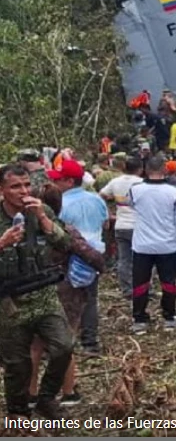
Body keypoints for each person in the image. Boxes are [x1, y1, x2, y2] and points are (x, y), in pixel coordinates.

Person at [0, 165, 77, 418]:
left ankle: (46, 398)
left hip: (43, 295)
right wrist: (2, 243)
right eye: (15, 186)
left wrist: (43, 218)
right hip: (10, 301)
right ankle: (19, 413)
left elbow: (65, 243)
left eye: (26, 185)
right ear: (2, 190)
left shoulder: (41, 211)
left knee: (64, 346)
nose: (23, 191)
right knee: (16, 364)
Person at [47, 160, 109, 357]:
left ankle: (64, 342)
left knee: (65, 299)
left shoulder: (61, 204)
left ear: (69, 181)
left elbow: (58, 232)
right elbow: (106, 224)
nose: (55, 183)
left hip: (70, 256)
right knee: (90, 298)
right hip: (93, 255)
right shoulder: (97, 199)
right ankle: (90, 342)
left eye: (58, 179)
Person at [128, 157, 176, 334]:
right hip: (167, 245)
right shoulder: (175, 193)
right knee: (168, 282)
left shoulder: (135, 190)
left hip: (142, 245)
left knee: (140, 283)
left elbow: (131, 205)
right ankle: (169, 318)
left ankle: (139, 319)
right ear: (165, 170)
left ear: (146, 170)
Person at [99, 158, 143, 299]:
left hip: (121, 226)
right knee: (142, 259)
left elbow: (101, 195)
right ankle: (140, 288)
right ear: (140, 169)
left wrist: (107, 213)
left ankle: (127, 289)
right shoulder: (142, 183)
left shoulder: (115, 182)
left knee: (124, 259)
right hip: (139, 227)